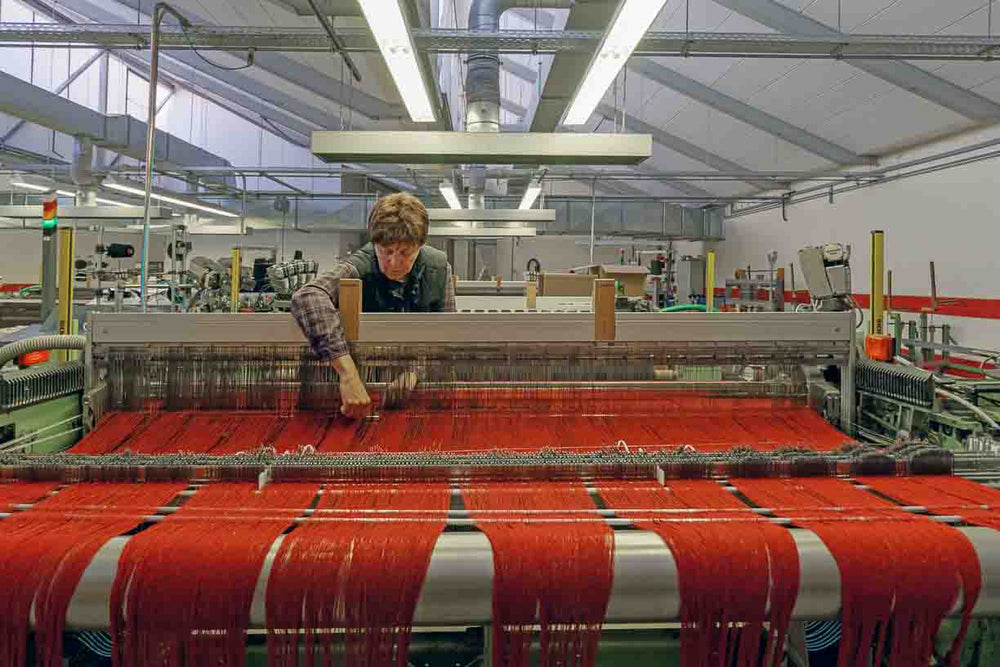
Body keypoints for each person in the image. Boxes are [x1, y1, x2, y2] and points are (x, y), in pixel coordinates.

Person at [291, 193, 456, 417]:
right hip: (347, 400)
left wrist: (414, 374)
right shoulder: (358, 266)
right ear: (374, 244)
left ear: (420, 245)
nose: (395, 263)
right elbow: (308, 296)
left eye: (405, 253)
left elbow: (444, 340)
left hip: (406, 400)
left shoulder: (438, 269)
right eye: (386, 252)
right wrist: (348, 374)